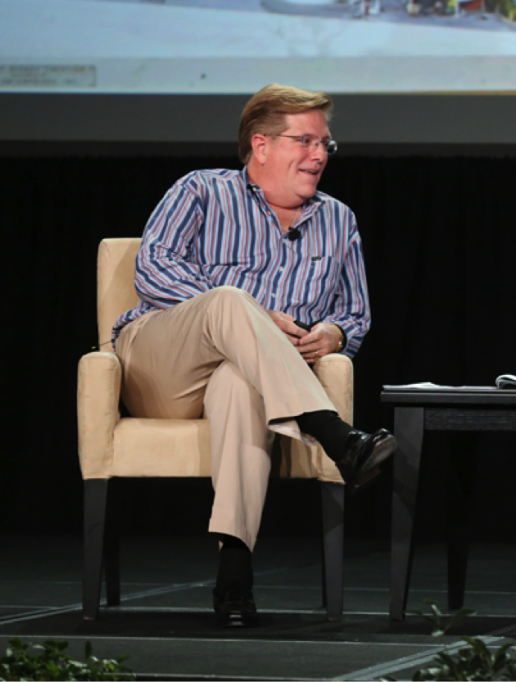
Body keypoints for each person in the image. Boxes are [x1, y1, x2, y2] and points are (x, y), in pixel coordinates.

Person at [111, 84, 396, 628]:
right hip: (164, 366)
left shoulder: (338, 220)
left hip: (253, 377)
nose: (319, 155)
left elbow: (354, 312)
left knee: (242, 385)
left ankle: (234, 574)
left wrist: (334, 333)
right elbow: (153, 268)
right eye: (305, 141)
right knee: (230, 302)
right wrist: (253, 314)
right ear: (260, 145)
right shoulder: (201, 190)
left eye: (325, 144)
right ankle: (334, 433)